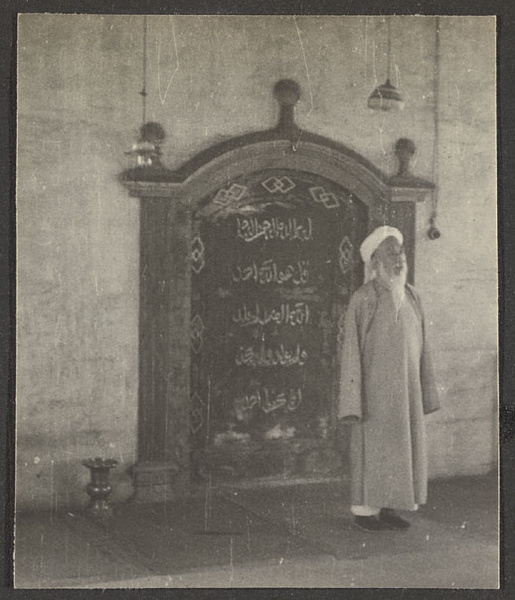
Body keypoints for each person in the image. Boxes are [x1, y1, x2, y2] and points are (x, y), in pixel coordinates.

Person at [338, 225, 440, 531]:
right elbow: (351, 352)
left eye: (400, 253)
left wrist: (426, 392)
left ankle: (392, 506)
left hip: (406, 393)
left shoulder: (413, 297)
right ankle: (365, 513)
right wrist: (353, 400)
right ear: (374, 262)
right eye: (390, 254)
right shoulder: (363, 299)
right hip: (375, 396)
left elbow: (424, 350)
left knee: (403, 450)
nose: (398, 260)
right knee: (376, 451)